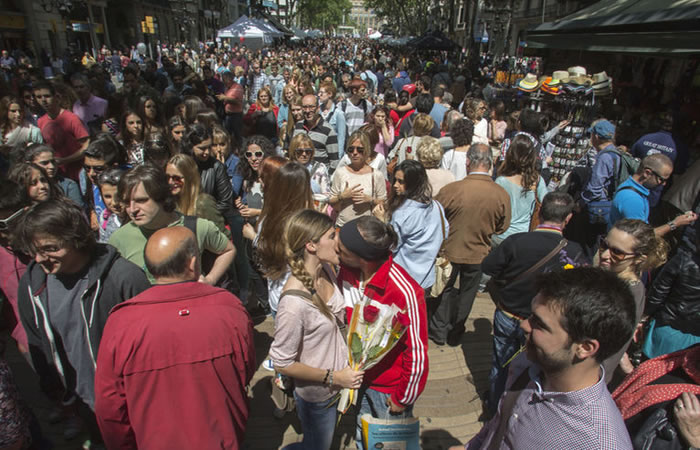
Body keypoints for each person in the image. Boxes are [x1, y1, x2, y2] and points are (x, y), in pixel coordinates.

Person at [94, 226, 255, 449]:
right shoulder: (230, 309)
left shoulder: (122, 322)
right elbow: (244, 371)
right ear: (192, 263)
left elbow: (109, 404)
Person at [452, 267, 636, 450]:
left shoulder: (598, 443)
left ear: (585, 348)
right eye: (531, 316)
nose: (524, 325)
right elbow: (498, 425)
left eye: (539, 324)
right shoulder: (527, 364)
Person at [14, 199, 150, 443]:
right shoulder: (33, 284)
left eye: (50, 248)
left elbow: (151, 347)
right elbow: (37, 340)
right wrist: (56, 391)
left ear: (76, 238)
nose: (40, 258)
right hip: (82, 406)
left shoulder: (123, 279)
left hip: (130, 407)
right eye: (34, 250)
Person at [481, 192, 587, 412]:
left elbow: (488, 267)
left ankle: (493, 407)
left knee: (500, 364)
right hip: (544, 325)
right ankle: (515, 409)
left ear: (539, 213)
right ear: (567, 219)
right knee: (534, 369)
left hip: (509, 314)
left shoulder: (517, 241)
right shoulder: (574, 252)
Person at [269, 209, 364, 449]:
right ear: (311, 245)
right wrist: (334, 376)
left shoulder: (327, 270)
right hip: (318, 395)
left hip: (337, 384)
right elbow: (282, 362)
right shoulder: (292, 303)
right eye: (332, 235)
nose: (338, 241)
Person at [336, 216, 428, 450]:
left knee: (388, 442)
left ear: (363, 259)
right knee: (362, 431)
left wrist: (403, 398)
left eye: (342, 250)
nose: (336, 252)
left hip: (387, 390)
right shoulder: (345, 272)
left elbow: (416, 351)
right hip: (358, 379)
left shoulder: (405, 291)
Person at [429, 144, 511, 346]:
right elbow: (502, 227)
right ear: (490, 164)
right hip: (479, 253)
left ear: (467, 163)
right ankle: (456, 331)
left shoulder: (451, 190)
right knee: (467, 293)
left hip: (449, 250)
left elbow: (434, 219)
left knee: (444, 290)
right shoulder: (500, 194)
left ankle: (439, 331)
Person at [108, 164, 235, 285]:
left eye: (141, 200)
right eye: (126, 202)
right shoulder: (119, 240)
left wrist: (210, 280)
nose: (132, 209)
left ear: (161, 196)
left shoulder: (197, 227)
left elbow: (228, 250)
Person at [596, 219, 669, 378]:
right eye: (604, 245)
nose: (605, 254)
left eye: (617, 252)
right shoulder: (608, 277)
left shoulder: (629, 293)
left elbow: (607, 345)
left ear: (638, 259)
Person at [374, 159, 447, 289]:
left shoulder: (403, 213)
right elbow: (445, 232)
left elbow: (391, 245)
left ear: (413, 184)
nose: (395, 185)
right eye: (394, 180)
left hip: (403, 281)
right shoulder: (437, 206)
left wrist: (382, 222)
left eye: (401, 182)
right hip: (426, 279)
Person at [609, 153, 697, 235]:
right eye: (661, 179)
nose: (663, 184)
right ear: (647, 173)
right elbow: (642, 237)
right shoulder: (632, 199)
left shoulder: (634, 189)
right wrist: (675, 223)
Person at [492, 134, 548, 245]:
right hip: (524, 236)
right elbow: (546, 203)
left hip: (500, 236)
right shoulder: (537, 181)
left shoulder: (501, 181)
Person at [329, 130, 387, 227]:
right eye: (351, 149)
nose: (355, 153)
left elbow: (384, 204)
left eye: (359, 150)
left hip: (366, 228)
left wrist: (370, 200)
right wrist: (342, 196)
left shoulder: (377, 175)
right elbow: (331, 202)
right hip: (343, 227)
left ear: (367, 150)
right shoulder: (340, 172)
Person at [34, 81, 90, 180]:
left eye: (47, 96)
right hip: (57, 175)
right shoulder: (40, 121)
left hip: (78, 173)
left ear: (56, 97)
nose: (43, 100)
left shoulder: (71, 118)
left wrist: (65, 160)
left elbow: (86, 146)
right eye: (39, 97)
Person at [293, 94, 340, 172]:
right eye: (305, 107)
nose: (308, 111)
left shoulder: (328, 130)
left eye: (311, 107)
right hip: (299, 175)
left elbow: (334, 161)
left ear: (318, 108)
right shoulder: (298, 126)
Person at [289, 133, 330, 198]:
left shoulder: (320, 168)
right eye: (300, 151)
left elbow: (326, 195)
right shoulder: (288, 168)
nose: (304, 154)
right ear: (293, 151)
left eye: (308, 151)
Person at [318, 80, 347, 158]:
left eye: (321, 93)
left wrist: (338, 157)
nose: (319, 95)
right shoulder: (317, 111)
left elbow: (341, 138)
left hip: (332, 153)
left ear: (330, 94)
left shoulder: (338, 114)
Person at [219, 70, 244, 144]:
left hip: (236, 115)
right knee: (227, 135)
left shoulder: (238, 87)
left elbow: (238, 102)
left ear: (230, 79)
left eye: (224, 79)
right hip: (227, 115)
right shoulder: (227, 88)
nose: (223, 81)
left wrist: (225, 98)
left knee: (237, 136)